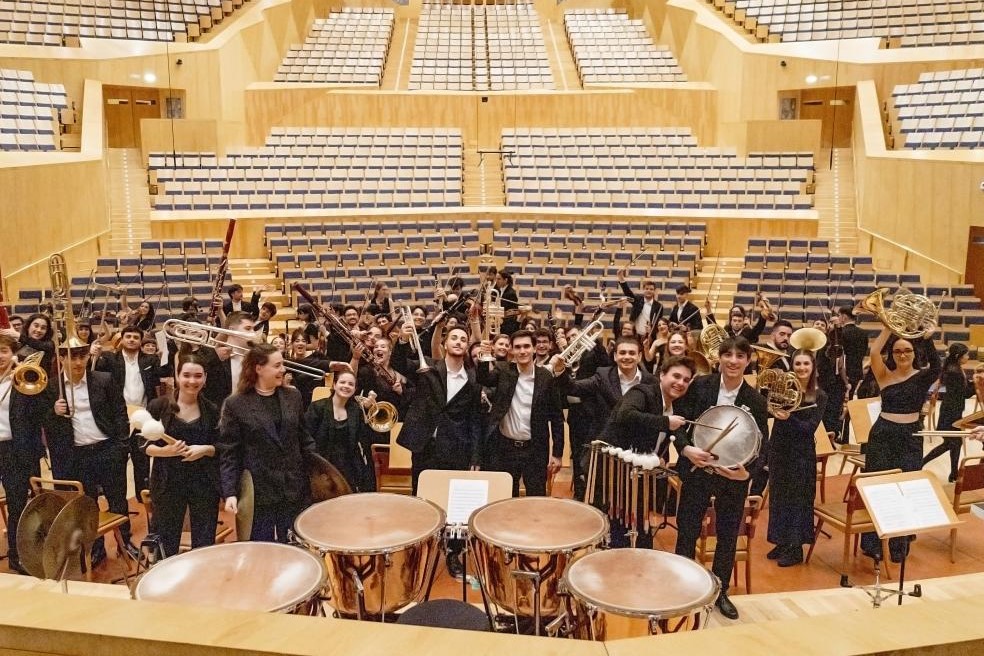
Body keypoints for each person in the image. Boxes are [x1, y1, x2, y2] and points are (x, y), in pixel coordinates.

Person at [674, 336, 769, 621]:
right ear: (719, 358)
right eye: (728, 355)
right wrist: (686, 449)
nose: (733, 361)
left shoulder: (755, 399)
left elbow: (763, 445)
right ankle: (681, 586)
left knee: (728, 535)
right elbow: (679, 423)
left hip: (732, 478)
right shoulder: (700, 386)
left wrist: (747, 474)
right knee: (687, 528)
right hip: (698, 471)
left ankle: (720, 590)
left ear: (748, 360)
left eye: (740, 356)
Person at [43, 339, 138, 565]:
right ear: (62, 359)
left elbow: (120, 414)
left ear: (88, 357)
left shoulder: (104, 380)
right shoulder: (52, 387)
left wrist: (121, 447)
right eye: (72, 357)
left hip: (107, 449)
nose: (78, 362)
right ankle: (97, 547)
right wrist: (53, 412)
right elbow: (43, 424)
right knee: (88, 504)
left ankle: (125, 542)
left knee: (118, 499)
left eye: (82, 356)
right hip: (78, 455)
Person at [218, 343, 326, 542]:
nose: (283, 370)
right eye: (277, 365)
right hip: (259, 492)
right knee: (262, 550)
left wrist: (320, 474)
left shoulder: (293, 396)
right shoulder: (236, 404)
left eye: (282, 364)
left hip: (294, 488)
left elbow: (304, 439)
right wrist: (230, 492)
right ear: (259, 368)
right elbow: (229, 452)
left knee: (296, 547)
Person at [861, 325, 940, 562]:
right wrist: (888, 328)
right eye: (897, 351)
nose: (902, 354)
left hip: (910, 437)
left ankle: (899, 544)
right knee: (878, 487)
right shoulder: (885, 375)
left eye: (907, 350)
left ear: (914, 353)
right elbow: (874, 352)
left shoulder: (922, 376)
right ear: (892, 354)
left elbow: (937, 366)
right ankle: (872, 543)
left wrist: (927, 339)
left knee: (906, 489)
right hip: (883, 436)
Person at [603, 355, 696, 548]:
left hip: (636, 475)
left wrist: (661, 456)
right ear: (662, 375)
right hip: (612, 473)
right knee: (616, 535)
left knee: (639, 535)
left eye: (686, 380)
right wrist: (665, 422)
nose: (680, 383)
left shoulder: (676, 404)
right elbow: (626, 415)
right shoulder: (642, 392)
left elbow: (668, 434)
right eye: (676, 376)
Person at [141, 354, 220, 558]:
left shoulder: (212, 409)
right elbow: (142, 445)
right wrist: (165, 452)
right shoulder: (159, 406)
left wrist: (204, 449)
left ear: (205, 378)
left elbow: (220, 447)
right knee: (166, 541)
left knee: (204, 542)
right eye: (186, 375)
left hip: (203, 482)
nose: (192, 381)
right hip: (168, 482)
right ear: (177, 376)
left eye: (198, 376)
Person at [557, 336, 655, 499]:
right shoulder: (603, 375)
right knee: (600, 500)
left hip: (635, 452)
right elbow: (573, 388)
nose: (627, 357)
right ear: (615, 356)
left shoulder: (651, 382)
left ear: (639, 356)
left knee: (632, 501)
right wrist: (560, 371)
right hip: (604, 451)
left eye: (632, 353)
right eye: (622, 353)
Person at [477, 330, 566, 497]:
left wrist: (557, 454)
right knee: (505, 497)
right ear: (511, 350)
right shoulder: (503, 370)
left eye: (526, 346)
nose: (522, 351)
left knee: (535, 497)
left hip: (535, 449)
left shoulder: (546, 377)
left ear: (534, 349)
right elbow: (484, 379)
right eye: (517, 347)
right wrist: (484, 356)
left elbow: (556, 417)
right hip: (505, 448)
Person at [766, 349, 827, 567]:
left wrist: (788, 417)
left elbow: (809, 428)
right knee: (778, 497)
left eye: (806, 364)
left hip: (801, 454)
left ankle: (796, 548)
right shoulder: (784, 389)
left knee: (798, 499)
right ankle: (781, 541)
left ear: (813, 367)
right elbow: (767, 410)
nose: (801, 368)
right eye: (798, 364)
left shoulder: (819, 395)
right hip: (779, 449)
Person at [96, 325, 163, 494]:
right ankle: (118, 498)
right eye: (128, 336)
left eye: (135, 337)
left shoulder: (150, 360)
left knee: (142, 460)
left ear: (140, 341)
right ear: (122, 339)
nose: (132, 340)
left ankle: (143, 497)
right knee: (117, 461)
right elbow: (95, 373)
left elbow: (160, 381)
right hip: (118, 417)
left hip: (143, 416)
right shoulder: (110, 359)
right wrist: (94, 356)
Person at [0, 333, 47, 574]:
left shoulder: (22, 380)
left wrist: (22, 375)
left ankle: (16, 556)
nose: (0, 356)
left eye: (4, 351)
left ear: (13, 354)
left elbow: (37, 412)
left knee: (17, 504)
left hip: (14, 450)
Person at [304, 370, 387, 493]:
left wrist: (369, 412)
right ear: (334, 385)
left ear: (355, 389)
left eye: (350, 384)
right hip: (322, 464)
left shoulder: (356, 410)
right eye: (342, 382)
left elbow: (365, 439)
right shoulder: (318, 407)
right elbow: (306, 436)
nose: (346, 386)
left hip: (348, 466)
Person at [923, 343, 974, 482]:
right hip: (950, 413)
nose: (968, 357)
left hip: (952, 410)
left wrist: (974, 382)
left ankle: (953, 474)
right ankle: (921, 463)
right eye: (966, 354)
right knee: (951, 444)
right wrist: (977, 385)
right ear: (958, 356)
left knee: (954, 443)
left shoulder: (954, 368)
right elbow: (965, 393)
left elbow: (962, 389)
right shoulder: (954, 371)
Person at [616, 269, 664, 338]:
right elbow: (628, 293)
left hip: (648, 336)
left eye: (651, 289)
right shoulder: (637, 300)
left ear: (654, 291)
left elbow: (658, 323)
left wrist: (652, 331)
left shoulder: (659, 306)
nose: (649, 291)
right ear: (643, 290)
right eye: (646, 289)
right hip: (634, 336)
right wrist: (621, 277)